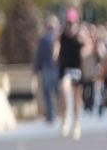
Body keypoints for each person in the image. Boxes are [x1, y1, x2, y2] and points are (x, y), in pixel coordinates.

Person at [53, 9, 90, 139]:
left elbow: (89, 45)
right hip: (65, 68)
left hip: (77, 68)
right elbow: (56, 44)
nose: (70, 26)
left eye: (72, 23)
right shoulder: (61, 34)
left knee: (76, 98)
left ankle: (76, 123)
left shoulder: (81, 33)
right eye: (68, 23)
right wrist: (55, 53)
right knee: (64, 88)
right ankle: (65, 117)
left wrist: (84, 50)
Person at [33, 17, 59, 125]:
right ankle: (62, 112)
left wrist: (35, 68)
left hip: (46, 69)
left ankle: (51, 114)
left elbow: (38, 55)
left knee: (47, 93)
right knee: (58, 92)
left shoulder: (43, 39)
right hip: (56, 69)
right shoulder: (57, 38)